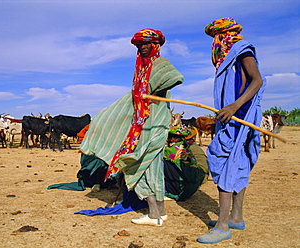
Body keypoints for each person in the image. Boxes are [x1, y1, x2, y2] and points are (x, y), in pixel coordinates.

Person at [79, 28, 184, 226]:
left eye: (146, 44)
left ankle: (155, 215)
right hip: (145, 124)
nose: (143, 48)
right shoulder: (141, 70)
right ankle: (160, 211)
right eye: (139, 45)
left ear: (155, 45)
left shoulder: (158, 64)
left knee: (139, 165)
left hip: (154, 125)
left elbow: (175, 77)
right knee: (152, 168)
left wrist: (154, 91)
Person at [197, 17, 265, 243]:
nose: (215, 43)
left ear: (224, 36)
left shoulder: (243, 52)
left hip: (239, 121)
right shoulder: (231, 57)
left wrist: (235, 105)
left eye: (217, 37)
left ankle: (223, 225)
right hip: (232, 119)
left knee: (225, 163)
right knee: (239, 163)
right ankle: (236, 216)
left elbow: (257, 81)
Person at [164, 126, 209, 201]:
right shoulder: (187, 148)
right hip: (192, 186)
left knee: (163, 163)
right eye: (169, 137)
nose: (170, 140)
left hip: (182, 190)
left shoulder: (174, 150)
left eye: (173, 137)